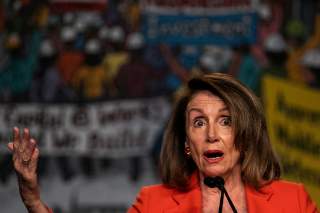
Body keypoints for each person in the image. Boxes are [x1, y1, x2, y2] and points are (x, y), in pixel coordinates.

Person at [8, 73, 319, 213]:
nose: (212, 133)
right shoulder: (154, 204)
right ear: (187, 144)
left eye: (226, 120)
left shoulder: (293, 202)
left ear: (246, 136)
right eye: (199, 122)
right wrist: (34, 200)